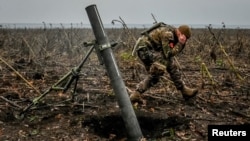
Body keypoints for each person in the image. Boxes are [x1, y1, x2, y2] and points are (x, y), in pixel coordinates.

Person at [130, 22, 198, 103]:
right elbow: (168, 54)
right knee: (158, 70)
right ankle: (136, 94)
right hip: (144, 50)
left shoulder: (174, 35)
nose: (184, 39)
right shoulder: (168, 34)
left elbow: (171, 52)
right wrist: (180, 44)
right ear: (179, 32)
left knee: (169, 65)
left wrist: (181, 44)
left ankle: (183, 90)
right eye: (184, 37)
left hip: (150, 50)